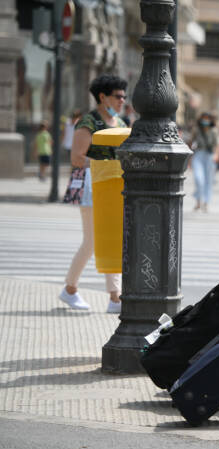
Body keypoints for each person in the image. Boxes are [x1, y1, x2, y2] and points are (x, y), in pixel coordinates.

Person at [59, 75, 127, 313]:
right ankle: (70, 289)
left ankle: (115, 298)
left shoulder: (121, 122)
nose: (122, 100)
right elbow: (77, 157)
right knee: (92, 241)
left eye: (124, 97)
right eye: (118, 96)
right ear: (102, 97)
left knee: (114, 239)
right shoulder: (88, 122)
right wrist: (105, 166)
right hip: (91, 185)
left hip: (115, 186)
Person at [191, 112, 219, 212]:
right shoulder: (196, 130)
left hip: (209, 156)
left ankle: (206, 203)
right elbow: (191, 142)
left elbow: (218, 144)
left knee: (208, 180)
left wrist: (216, 155)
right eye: (204, 118)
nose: (205, 121)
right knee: (198, 179)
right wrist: (189, 158)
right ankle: (198, 200)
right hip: (198, 154)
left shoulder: (214, 130)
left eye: (207, 119)